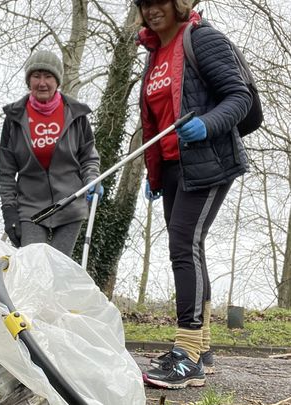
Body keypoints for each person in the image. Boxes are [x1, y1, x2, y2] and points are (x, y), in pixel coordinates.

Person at [135, 0, 252, 389]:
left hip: (209, 159)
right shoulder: (153, 56)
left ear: (177, 3)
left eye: (159, 2)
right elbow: (154, 122)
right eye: (143, 3)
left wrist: (206, 123)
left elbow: (239, 97)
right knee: (189, 246)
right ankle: (201, 348)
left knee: (184, 243)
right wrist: (154, 175)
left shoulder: (201, 38)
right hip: (171, 166)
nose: (152, 10)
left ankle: (187, 357)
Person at [0, 50, 102, 257]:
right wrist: (9, 210)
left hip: (71, 203)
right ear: (29, 81)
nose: (42, 83)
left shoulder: (75, 113)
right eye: (36, 76)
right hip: (30, 207)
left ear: (58, 81)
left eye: (48, 76)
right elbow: (6, 171)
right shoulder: (15, 118)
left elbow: (88, 156)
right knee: (32, 266)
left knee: (58, 268)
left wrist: (92, 180)